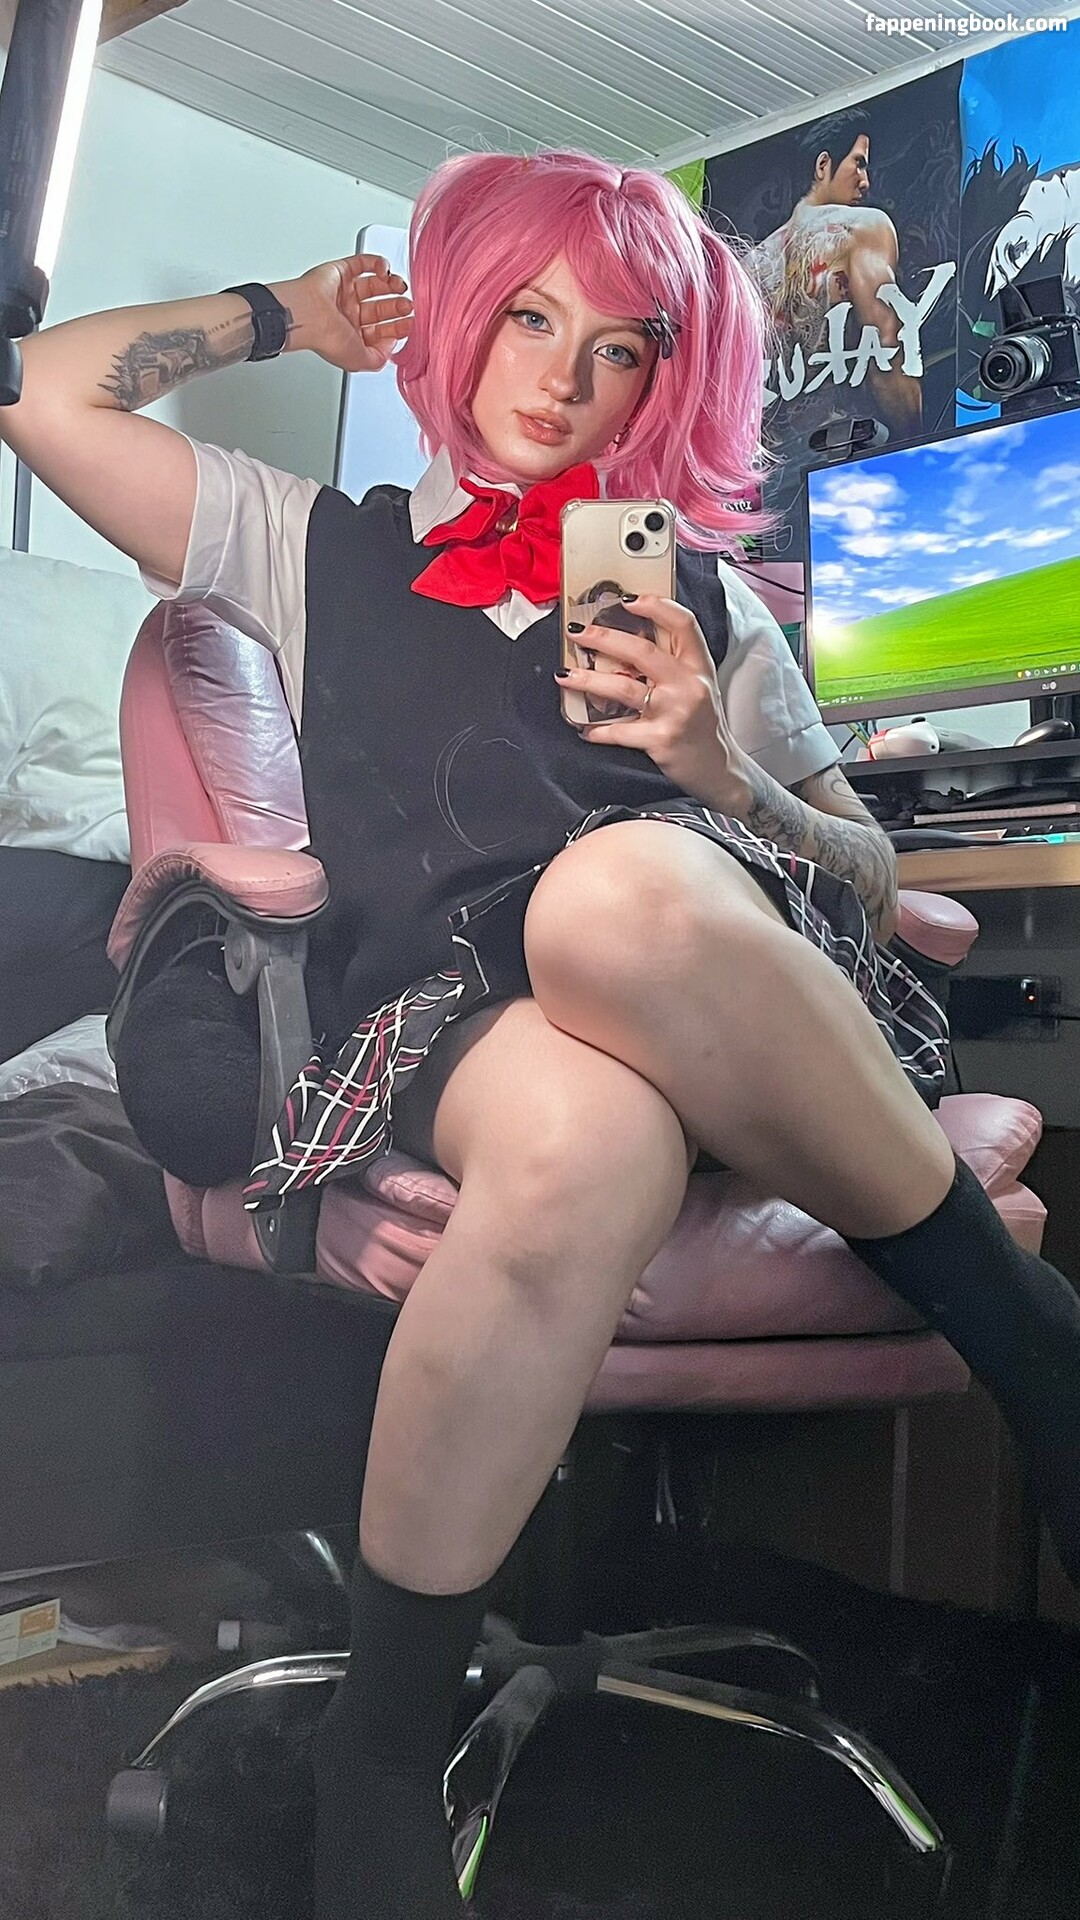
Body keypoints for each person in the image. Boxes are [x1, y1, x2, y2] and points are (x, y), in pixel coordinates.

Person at [4, 148, 1080, 1920]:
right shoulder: (302, 543)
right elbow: (40, 392)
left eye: (621, 346)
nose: (565, 377)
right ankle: (381, 1755)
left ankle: (1028, 1347)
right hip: (459, 1033)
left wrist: (720, 773)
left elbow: (872, 880)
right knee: (578, 1126)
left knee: (619, 892)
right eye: (526, 317)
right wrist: (286, 314)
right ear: (456, 317)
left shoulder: (709, 601)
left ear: (666, 378)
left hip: (742, 1028)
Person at [749, 108, 923, 438]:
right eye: (858, 163)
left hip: (776, 461)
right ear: (823, 165)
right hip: (851, 445)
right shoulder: (861, 228)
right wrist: (916, 443)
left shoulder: (751, 264)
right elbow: (885, 350)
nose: (865, 181)